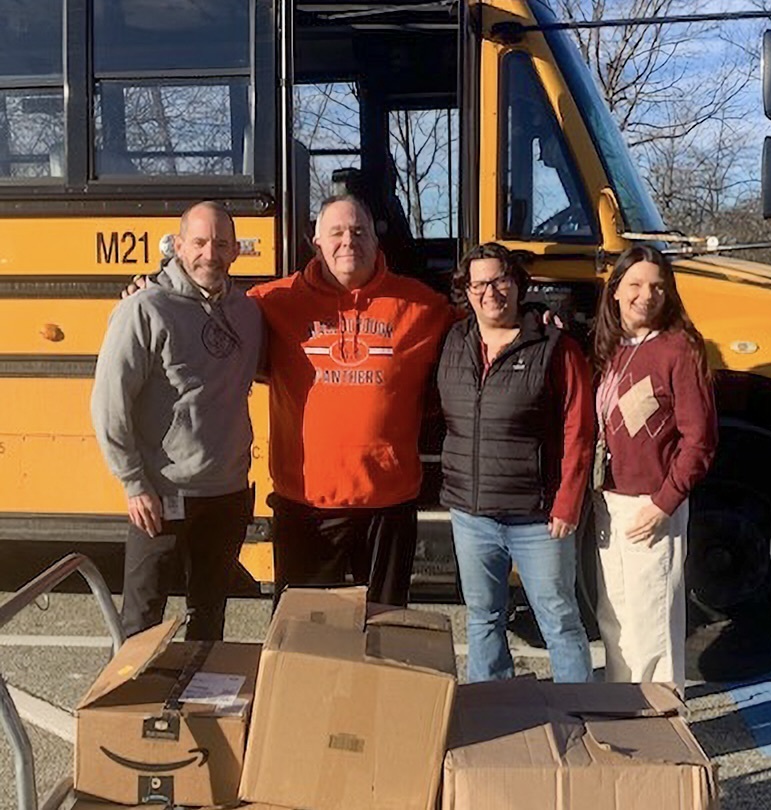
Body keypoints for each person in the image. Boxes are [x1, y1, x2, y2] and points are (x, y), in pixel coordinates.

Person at [248, 195, 456, 606]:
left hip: (388, 503)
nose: (349, 242)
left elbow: (489, 332)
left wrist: (533, 316)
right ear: (316, 241)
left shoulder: (421, 305)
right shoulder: (272, 302)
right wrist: (155, 291)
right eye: (337, 232)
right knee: (305, 637)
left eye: (359, 232)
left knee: (384, 631)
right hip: (306, 503)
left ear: (377, 242)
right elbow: (205, 314)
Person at [91, 201, 263, 640]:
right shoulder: (144, 309)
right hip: (161, 496)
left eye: (222, 243)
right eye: (201, 242)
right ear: (179, 245)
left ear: (235, 251)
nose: (211, 253)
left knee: (209, 618)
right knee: (141, 622)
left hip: (226, 494)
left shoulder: (247, 312)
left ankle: (198, 707)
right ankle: (128, 707)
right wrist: (133, 484)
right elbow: (110, 402)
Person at [437, 243, 595, 683]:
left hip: (538, 519)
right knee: (483, 619)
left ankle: (577, 716)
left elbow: (579, 429)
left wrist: (568, 502)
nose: (491, 292)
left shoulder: (554, 347)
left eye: (500, 280)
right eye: (479, 283)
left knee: (559, 622)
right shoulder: (453, 339)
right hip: (471, 515)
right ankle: (496, 715)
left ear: (518, 284)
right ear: (466, 292)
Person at [592, 244, 717, 694]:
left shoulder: (679, 349)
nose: (647, 295)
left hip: (651, 504)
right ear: (616, 292)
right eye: (636, 285)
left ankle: (662, 722)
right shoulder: (611, 349)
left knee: (653, 621)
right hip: (609, 500)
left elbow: (699, 441)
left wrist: (664, 504)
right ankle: (623, 707)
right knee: (616, 617)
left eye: (658, 286)